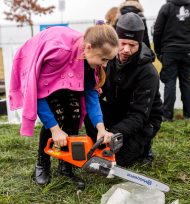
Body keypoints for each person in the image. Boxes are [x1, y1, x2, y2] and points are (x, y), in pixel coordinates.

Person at [9, 24, 119, 189]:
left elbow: (91, 95)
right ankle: (42, 162)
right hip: (41, 71)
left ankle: (65, 166)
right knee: (56, 113)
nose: (104, 65)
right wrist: (55, 129)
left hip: (68, 71)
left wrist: (101, 128)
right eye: (103, 59)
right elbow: (37, 93)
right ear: (88, 47)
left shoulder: (89, 63)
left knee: (74, 110)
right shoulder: (59, 52)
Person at [85, 12, 163, 167]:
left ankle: (144, 146)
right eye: (123, 43)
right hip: (118, 110)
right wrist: (99, 90)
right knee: (89, 105)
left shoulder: (148, 72)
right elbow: (100, 91)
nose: (126, 49)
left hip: (143, 120)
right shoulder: (107, 58)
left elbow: (139, 115)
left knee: (120, 161)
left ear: (139, 44)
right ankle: (100, 143)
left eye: (132, 45)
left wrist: (112, 133)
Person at [153, 0, 190, 121]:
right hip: (187, 52)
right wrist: (189, 44)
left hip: (169, 51)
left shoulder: (166, 8)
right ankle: (188, 115)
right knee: (186, 82)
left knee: (169, 82)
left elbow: (157, 31)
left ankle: (167, 115)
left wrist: (158, 51)